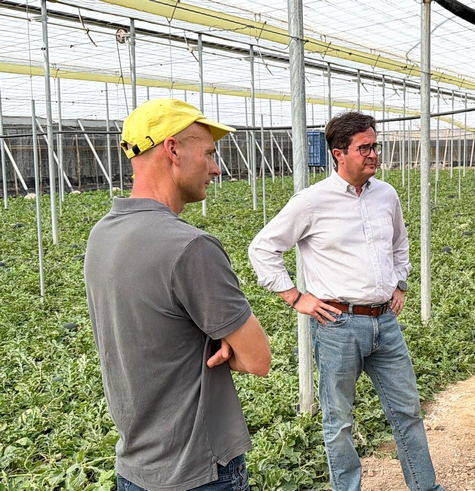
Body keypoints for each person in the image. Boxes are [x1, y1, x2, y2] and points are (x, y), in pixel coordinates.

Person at [84, 98, 272, 491]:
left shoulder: (102, 234)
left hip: (135, 470)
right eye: (208, 154)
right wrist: (222, 341)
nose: (216, 168)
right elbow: (257, 359)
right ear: (172, 150)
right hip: (199, 473)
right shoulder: (190, 247)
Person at [249, 111, 442, 491]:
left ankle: (426, 487)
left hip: (385, 322)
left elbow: (399, 244)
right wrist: (295, 297)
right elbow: (262, 249)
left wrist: (400, 283)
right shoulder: (311, 201)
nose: (374, 154)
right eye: (364, 148)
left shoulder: (386, 195)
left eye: (375, 146)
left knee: (407, 411)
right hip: (337, 326)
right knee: (339, 421)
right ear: (339, 153)